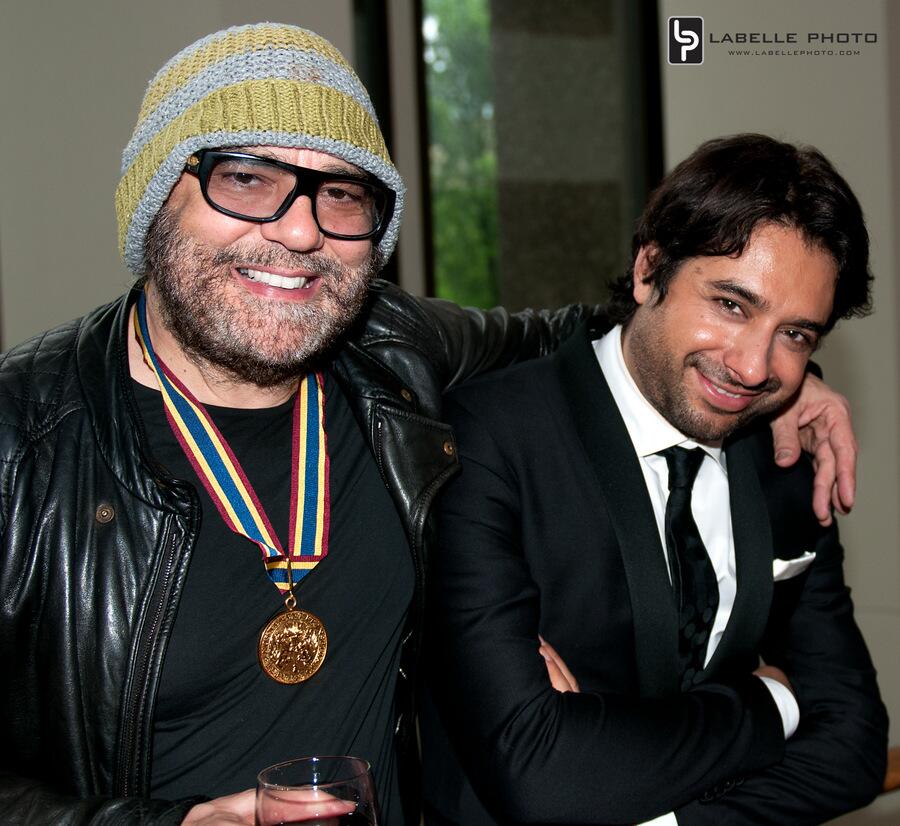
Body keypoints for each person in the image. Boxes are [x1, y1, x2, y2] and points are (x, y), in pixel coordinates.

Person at [0, 23, 858, 826]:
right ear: (154, 197)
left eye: (343, 195)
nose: (299, 230)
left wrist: (788, 376)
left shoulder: (399, 356)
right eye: (246, 177)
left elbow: (595, 336)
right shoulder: (21, 445)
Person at [423, 134, 888, 826]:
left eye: (796, 335)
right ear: (648, 271)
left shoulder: (785, 451)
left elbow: (853, 745)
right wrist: (776, 703)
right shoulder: (491, 439)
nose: (755, 366)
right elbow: (539, 775)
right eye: (732, 305)